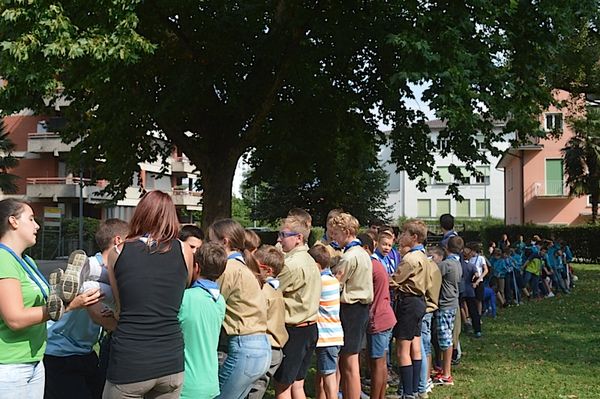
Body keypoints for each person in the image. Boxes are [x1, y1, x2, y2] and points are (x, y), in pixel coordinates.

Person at [0, 199, 100, 398]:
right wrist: (70, 307)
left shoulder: (26, 261)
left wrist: (63, 300)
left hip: (35, 359)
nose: (37, 225)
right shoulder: (3, 259)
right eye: (31, 219)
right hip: (10, 365)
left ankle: (63, 288)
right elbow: (15, 319)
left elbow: (42, 306)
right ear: (13, 221)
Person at [104, 190, 193, 399]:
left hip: (131, 360)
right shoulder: (184, 250)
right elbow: (183, 287)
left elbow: (120, 307)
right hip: (171, 360)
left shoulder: (117, 252)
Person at [44, 219, 128, 399]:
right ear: (118, 241)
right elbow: (98, 315)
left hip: (83, 351)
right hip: (62, 353)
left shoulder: (109, 274)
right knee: (94, 285)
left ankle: (62, 287)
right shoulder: (94, 273)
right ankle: (69, 283)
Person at [209, 219, 271, 399]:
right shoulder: (243, 267)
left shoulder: (228, 268)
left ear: (224, 242)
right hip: (260, 347)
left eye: (211, 240)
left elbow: (212, 302)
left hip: (244, 347)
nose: (208, 245)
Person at [274, 213, 321, 399]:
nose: (279, 239)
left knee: (283, 386)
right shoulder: (311, 260)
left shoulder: (291, 265)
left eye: (283, 235)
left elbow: (271, 292)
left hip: (295, 332)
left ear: (299, 238)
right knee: (297, 385)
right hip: (310, 328)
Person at [327, 213, 373, 399]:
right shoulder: (363, 253)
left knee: (349, 362)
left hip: (350, 309)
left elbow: (336, 284)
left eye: (336, 234)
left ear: (346, 232)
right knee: (351, 359)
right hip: (361, 310)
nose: (333, 238)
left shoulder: (349, 257)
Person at [179, 242, 227, 399]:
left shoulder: (185, 299)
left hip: (187, 385)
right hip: (210, 383)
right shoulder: (220, 301)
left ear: (196, 267)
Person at [390, 219, 429, 399]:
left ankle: (407, 393)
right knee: (415, 347)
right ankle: (414, 389)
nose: (400, 237)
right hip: (419, 301)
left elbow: (395, 280)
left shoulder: (410, 258)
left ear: (414, 237)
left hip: (408, 302)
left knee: (402, 350)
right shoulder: (423, 255)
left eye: (404, 234)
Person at [357, 233, 396, 399]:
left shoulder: (371, 265)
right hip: (384, 316)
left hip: (378, 318)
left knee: (377, 363)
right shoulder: (378, 264)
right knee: (380, 361)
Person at [248, 245, 289, 399]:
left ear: (268, 271)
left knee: (253, 390)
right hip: (274, 348)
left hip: (268, 347)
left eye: (254, 267)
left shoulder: (264, 291)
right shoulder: (275, 288)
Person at [308, 244, 343, 399]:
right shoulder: (332, 280)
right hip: (334, 334)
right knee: (326, 372)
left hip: (326, 337)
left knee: (328, 374)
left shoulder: (321, 283)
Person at [432, 236, 463, 387]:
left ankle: (446, 374)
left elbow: (432, 274)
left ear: (446, 248)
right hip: (453, 303)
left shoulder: (446, 265)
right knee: (447, 338)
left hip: (445, 305)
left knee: (445, 340)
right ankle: (445, 370)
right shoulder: (457, 263)